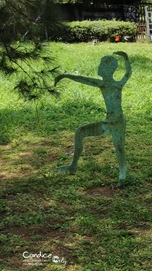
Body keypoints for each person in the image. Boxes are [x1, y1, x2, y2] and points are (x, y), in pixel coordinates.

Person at [55, 51, 132, 185]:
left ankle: (123, 173)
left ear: (107, 69)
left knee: (119, 149)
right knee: (80, 132)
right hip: (107, 122)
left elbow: (127, 73)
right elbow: (83, 79)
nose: (98, 68)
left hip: (118, 122)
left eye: (101, 65)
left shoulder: (116, 85)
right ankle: (73, 166)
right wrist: (66, 76)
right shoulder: (102, 84)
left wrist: (125, 58)